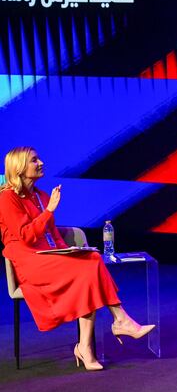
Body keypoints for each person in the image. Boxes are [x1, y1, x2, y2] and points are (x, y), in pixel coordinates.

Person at [0, 147, 155, 371]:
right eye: (35, 160)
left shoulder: (41, 196)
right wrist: (50, 210)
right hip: (28, 260)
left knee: (91, 259)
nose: (41, 162)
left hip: (49, 254)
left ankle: (89, 343)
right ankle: (118, 323)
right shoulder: (7, 198)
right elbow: (25, 236)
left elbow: (52, 234)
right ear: (20, 167)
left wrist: (69, 251)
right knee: (88, 268)